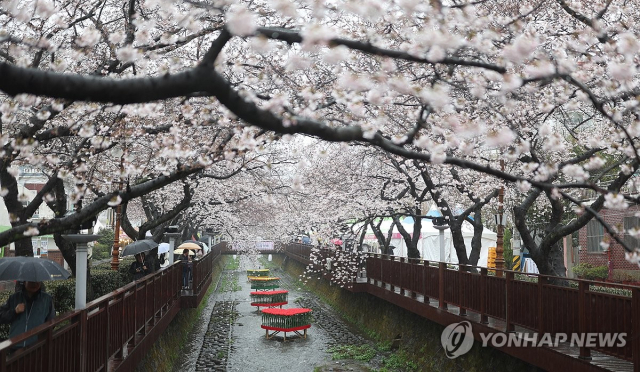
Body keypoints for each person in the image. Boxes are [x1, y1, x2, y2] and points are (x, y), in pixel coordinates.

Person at [0, 281, 55, 349]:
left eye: (37, 281)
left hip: (37, 347)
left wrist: (41, 338)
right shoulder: (14, 298)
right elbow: (1, 316)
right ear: (24, 281)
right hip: (15, 346)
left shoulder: (47, 299)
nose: (34, 284)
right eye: (31, 281)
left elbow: (51, 321)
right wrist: (14, 312)